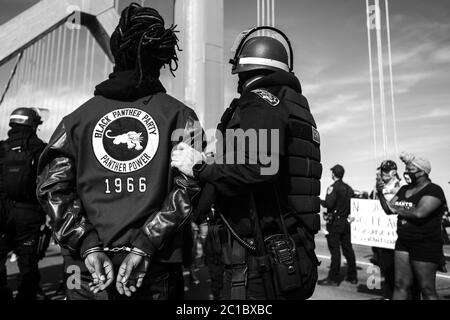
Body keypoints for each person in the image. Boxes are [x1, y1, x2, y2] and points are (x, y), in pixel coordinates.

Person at [36, 3, 201, 300]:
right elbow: (189, 186)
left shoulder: (75, 120)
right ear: (163, 56)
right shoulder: (180, 116)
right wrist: (145, 245)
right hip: (155, 267)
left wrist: (86, 243)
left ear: (116, 50)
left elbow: (52, 187)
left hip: (85, 270)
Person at [171, 26, 322, 300]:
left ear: (247, 69)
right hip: (290, 250)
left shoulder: (259, 101)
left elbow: (258, 167)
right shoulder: (295, 107)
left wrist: (198, 167)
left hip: (259, 257)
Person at [377, 152, 446, 300]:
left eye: (412, 170)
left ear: (423, 172)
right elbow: (389, 208)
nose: (408, 172)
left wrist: (398, 208)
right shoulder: (404, 190)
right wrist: (380, 192)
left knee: (427, 289)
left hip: (425, 244)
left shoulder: (434, 190)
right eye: (407, 169)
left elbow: (419, 213)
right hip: (403, 242)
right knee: (400, 284)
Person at [0, 108, 46, 300]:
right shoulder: (42, 149)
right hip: (30, 214)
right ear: (33, 125)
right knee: (28, 263)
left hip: (2, 212)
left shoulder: (1, 148)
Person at [318, 164, 357, 286]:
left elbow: (329, 204)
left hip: (335, 223)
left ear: (333, 174)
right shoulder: (349, 189)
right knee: (348, 250)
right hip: (346, 222)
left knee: (335, 251)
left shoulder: (332, 187)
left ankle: (333, 278)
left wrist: (319, 201)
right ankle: (352, 276)